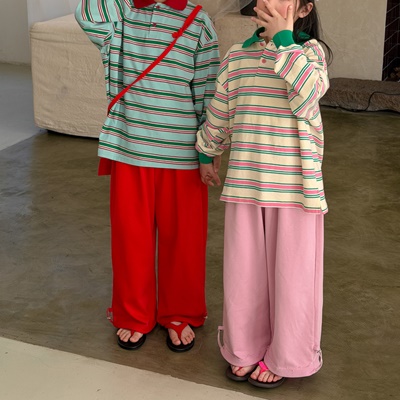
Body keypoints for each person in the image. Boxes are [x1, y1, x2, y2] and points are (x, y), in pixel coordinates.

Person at [196, 0, 330, 388]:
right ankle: (244, 347)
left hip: (296, 190)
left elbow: (309, 93)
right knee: (244, 275)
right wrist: (207, 151)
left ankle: (289, 356)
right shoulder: (238, 56)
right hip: (245, 184)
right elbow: (221, 110)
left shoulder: (309, 54)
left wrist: (285, 41)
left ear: (303, 9)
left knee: (293, 280)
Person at [75, 0, 220, 352]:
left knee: (184, 241)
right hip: (129, 149)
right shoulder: (121, 16)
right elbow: (87, 14)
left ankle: (180, 311)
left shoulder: (199, 23)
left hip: (182, 156)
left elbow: (208, 94)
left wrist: (207, 153)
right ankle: (133, 313)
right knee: (130, 239)